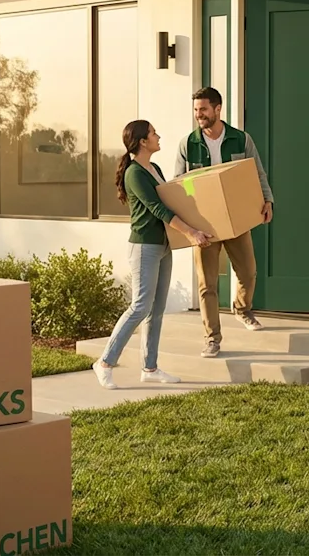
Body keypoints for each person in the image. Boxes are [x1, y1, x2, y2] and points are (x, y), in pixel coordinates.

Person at [94, 119, 213, 390]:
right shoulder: (135, 173)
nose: (158, 136)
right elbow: (158, 209)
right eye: (153, 133)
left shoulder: (154, 168)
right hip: (144, 248)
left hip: (162, 246)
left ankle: (150, 367)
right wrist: (192, 233)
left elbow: (172, 199)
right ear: (143, 141)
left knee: (156, 310)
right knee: (140, 307)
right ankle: (104, 363)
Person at [173, 86, 274, 359]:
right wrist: (187, 224)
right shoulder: (187, 144)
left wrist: (267, 200)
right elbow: (178, 184)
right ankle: (212, 338)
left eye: (203, 109)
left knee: (248, 273)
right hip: (203, 225)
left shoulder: (241, 140)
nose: (199, 115)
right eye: (196, 110)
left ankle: (242, 308)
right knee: (207, 284)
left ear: (218, 109)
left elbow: (257, 172)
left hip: (236, 219)